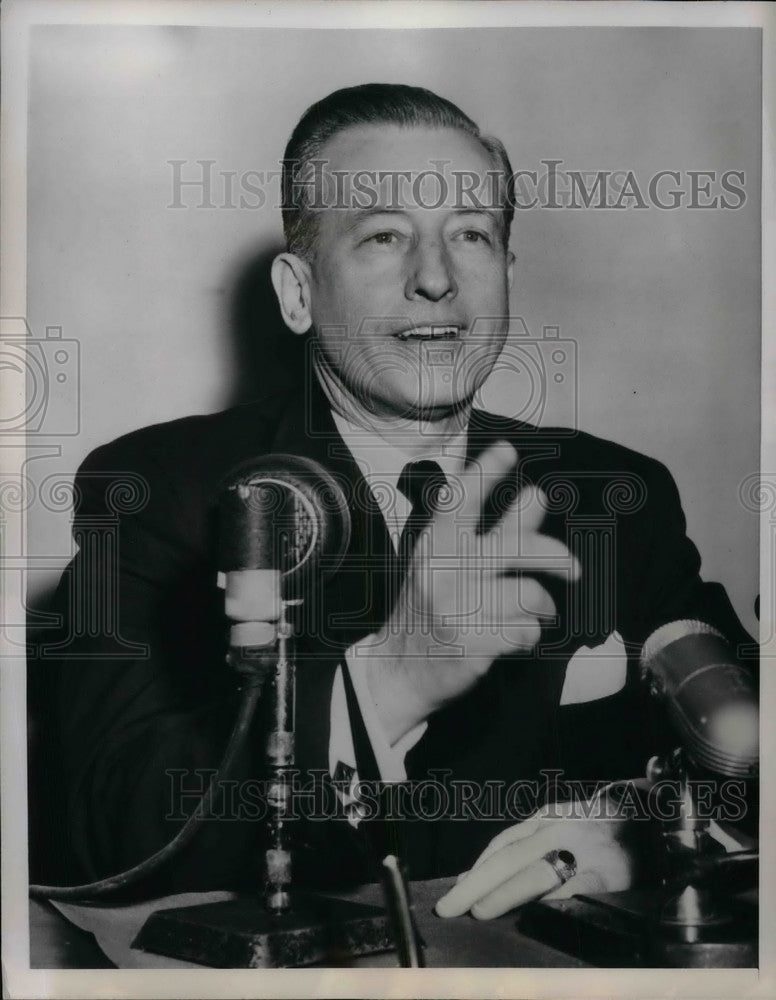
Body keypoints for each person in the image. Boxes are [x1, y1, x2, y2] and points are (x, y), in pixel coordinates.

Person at [31, 83, 755, 921]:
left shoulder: (617, 495)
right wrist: (396, 677)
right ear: (298, 294)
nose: (437, 279)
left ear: (507, 273)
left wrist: (646, 829)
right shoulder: (162, 489)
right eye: (383, 236)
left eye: (472, 235)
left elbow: (748, 759)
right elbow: (109, 836)